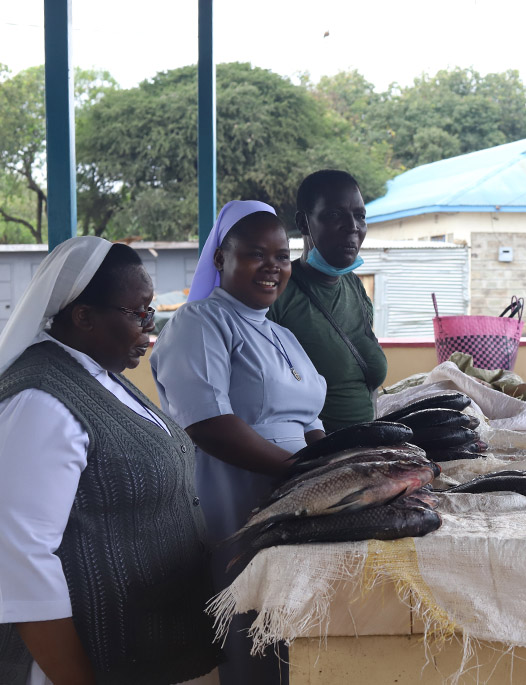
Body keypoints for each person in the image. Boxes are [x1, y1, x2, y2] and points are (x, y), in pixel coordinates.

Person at [0, 237, 220, 685]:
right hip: (91, 659)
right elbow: (20, 556)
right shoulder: (42, 400)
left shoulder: (100, 374)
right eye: (138, 312)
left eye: (151, 311)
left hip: (151, 649)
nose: (149, 325)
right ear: (83, 317)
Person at [150, 201, 327, 685]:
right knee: (247, 616)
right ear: (219, 260)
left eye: (282, 255)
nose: (273, 266)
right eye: (255, 253)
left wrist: (331, 469)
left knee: (294, 621)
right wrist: (301, 471)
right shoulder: (200, 323)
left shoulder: (283, 334)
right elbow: (208, 423)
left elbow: (310, 418)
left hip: (295, 496)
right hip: (234, 493)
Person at [268, 170, 388, 432]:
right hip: (314, 460)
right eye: (335, 215)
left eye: (360, 216)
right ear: (303, 223)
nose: (352, 226)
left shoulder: (354, 286)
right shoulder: (276, 294)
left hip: (365, 455)